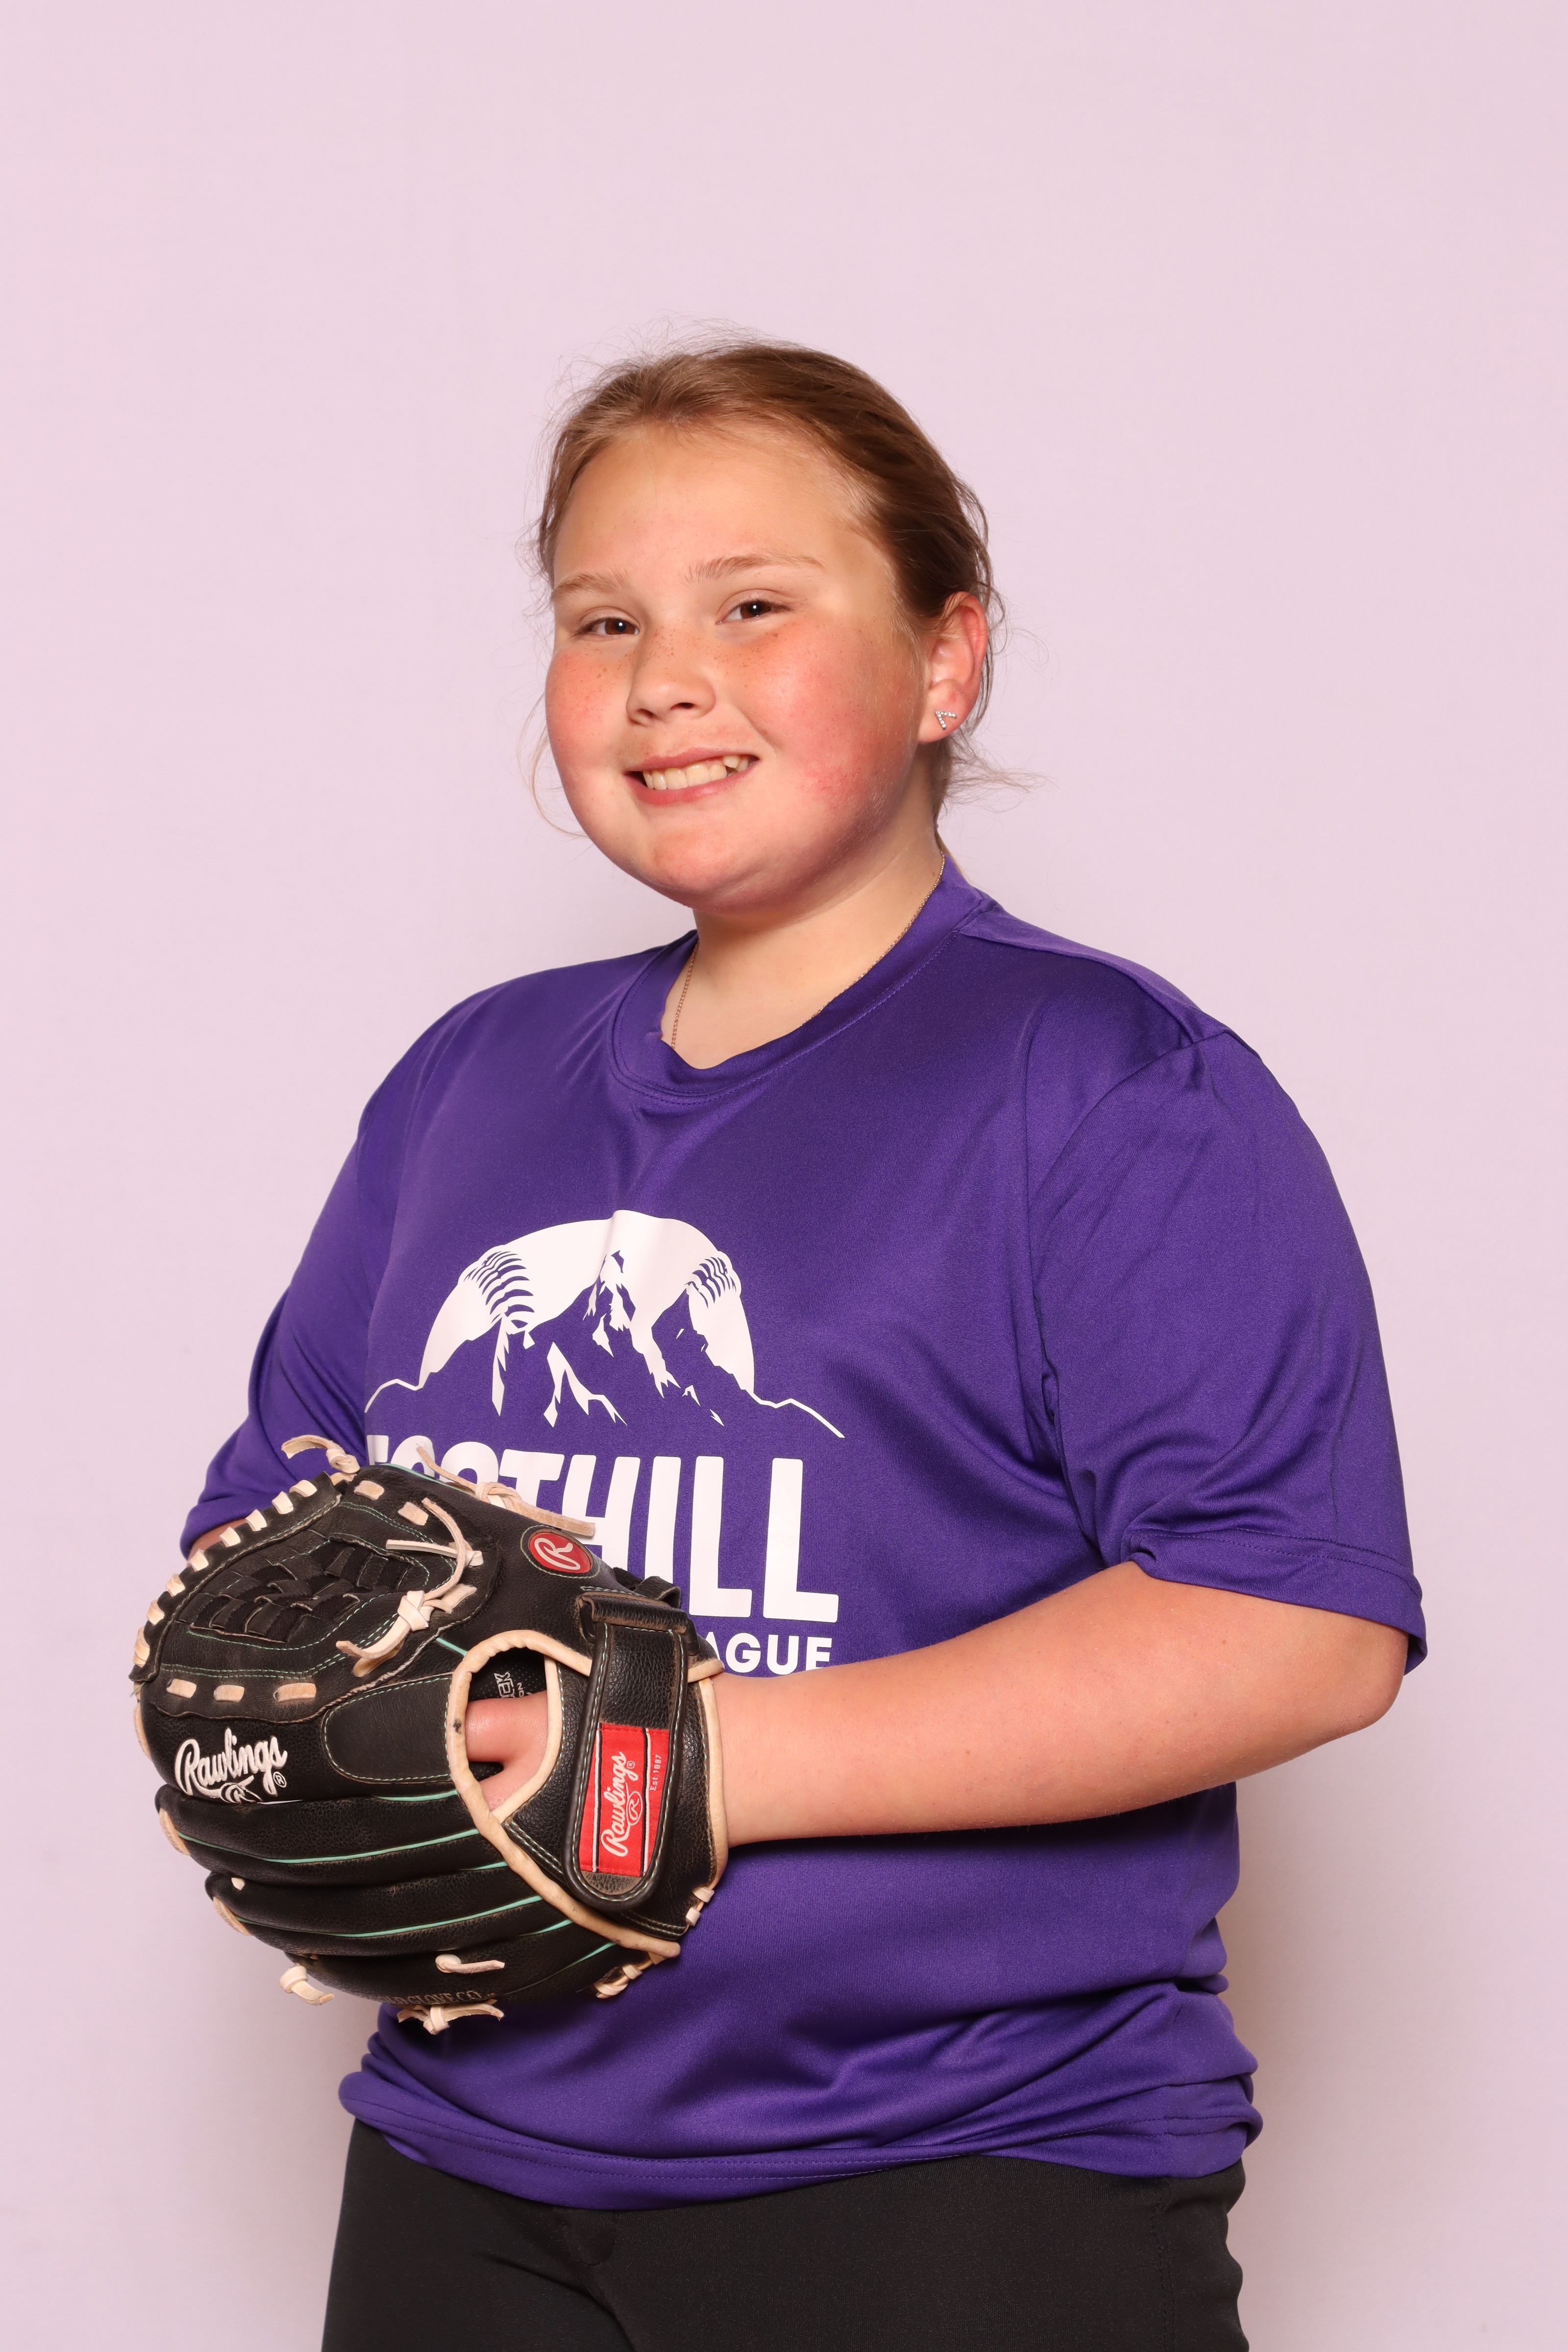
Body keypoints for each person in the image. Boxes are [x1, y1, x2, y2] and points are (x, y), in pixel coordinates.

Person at [183, 342, 1423, 2351]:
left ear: (946, 662)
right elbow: (282, 1519)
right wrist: (318, 1722)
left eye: (752, 604)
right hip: (458, 2153)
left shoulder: (1108, 1086)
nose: (664, 678)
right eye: (604, 621)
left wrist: (688, 1754)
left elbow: (1296, 1621)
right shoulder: (468, 1084)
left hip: (956, 2173)